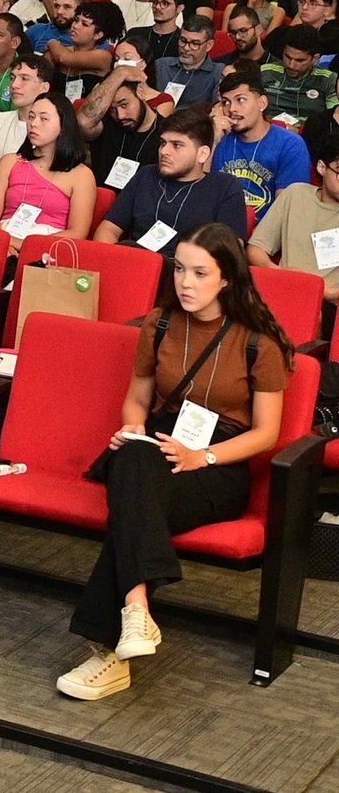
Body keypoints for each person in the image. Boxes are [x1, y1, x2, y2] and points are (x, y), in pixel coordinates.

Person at [56, 224, 293, 700]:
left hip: (218, 464)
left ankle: (112, 649)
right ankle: (136, 612)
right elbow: (136, 401)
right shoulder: (159, 323)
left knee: (133, 503)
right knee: (133, 458)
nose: (185, 282)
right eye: (180, 269)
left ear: (227, 278)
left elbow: (266, 434)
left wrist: (201, 456)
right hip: (159, 443)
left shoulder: (259, 341)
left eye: (200, 273)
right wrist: (133, 429)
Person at [95, 107, 247, 255]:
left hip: (187, 268)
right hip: (138, 263)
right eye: (163, 143)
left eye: (177, 145)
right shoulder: (146, 176)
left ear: (202, 154)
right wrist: (117, 260)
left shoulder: (224, 187)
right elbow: (107, 230)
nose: (164, 151)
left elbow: (230, 252)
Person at [0, 93, 97, 253]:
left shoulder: (81, 175)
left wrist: (24, 246)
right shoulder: (10, 162)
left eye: (44, 119)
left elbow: (77, 233)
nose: (34, 124)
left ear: (63, 127)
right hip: (3, 243)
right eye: (31, 117)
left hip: (48, 250)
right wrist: (5, 244)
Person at [249, 129, 339, 311]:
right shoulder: (295, 194)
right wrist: (279, 273)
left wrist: (327, 292)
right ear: (322, 167)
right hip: (282, 289)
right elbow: (255, 249)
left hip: (326, 302)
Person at [211, 67, 310, 218]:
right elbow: (203, 193)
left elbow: (287, 210)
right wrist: (213, 141)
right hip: (220, 225)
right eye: (226, 102)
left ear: (262, 103)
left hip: (266, 229)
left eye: (240, 100)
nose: (232, 109)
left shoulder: (290, 144)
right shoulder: (220, 138)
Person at [0, 54, 53, 178]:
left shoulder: (52, 130)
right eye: (12, 78)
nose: (14, 85)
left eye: (24, 79)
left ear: (44, 87)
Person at [80, 68, 165, 189]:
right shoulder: (105, 123)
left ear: (141, 93)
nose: (120, 116)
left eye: (124, 104)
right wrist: (120, 73)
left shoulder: (165, 133)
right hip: (100, 197)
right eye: (112, 109)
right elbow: (83, 123)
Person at [263, 25, 337, 123]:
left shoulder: (328, 80)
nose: (291, 65)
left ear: (315, 58)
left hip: (310, 131)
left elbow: (335, 118)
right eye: (288, 57)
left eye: (299, 60)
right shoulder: (264, 72)